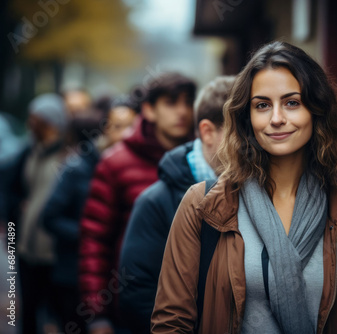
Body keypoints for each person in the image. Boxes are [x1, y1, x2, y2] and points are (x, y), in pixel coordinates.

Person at [151, 41, 337, 333]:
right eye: (262, 105)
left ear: (317, 111)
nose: (277, 119)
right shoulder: (202, 206)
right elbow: (171, 323)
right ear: (247, 118)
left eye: (292, 102)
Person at [79, 73, 196, 334]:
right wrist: (97, 313)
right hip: (127, 308)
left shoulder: (200, 158)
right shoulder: (115, 162)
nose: (182, 111)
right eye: (171, 102)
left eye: (188, 102)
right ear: (149, 110)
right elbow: (94, 241)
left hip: (189, 307)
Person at [119, 76, 235, 334]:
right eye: (240, 131)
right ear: (207, 132)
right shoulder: (155, 201)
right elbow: (137, 293)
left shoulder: (254, 191)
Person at [3, 93, 68, 334]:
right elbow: (13, 187)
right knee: (28, 309)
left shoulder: (67, 156)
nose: (30, 122)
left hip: (52, 250)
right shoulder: (30, 152)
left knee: (55, 314)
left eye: (35, 118)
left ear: (48, 121)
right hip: (27, 246)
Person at [41, 111, 103, 334]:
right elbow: (49, 217)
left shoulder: (102, 166)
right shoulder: (76, 169)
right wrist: (86, 235)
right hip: (71, 272)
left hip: (94, 273)